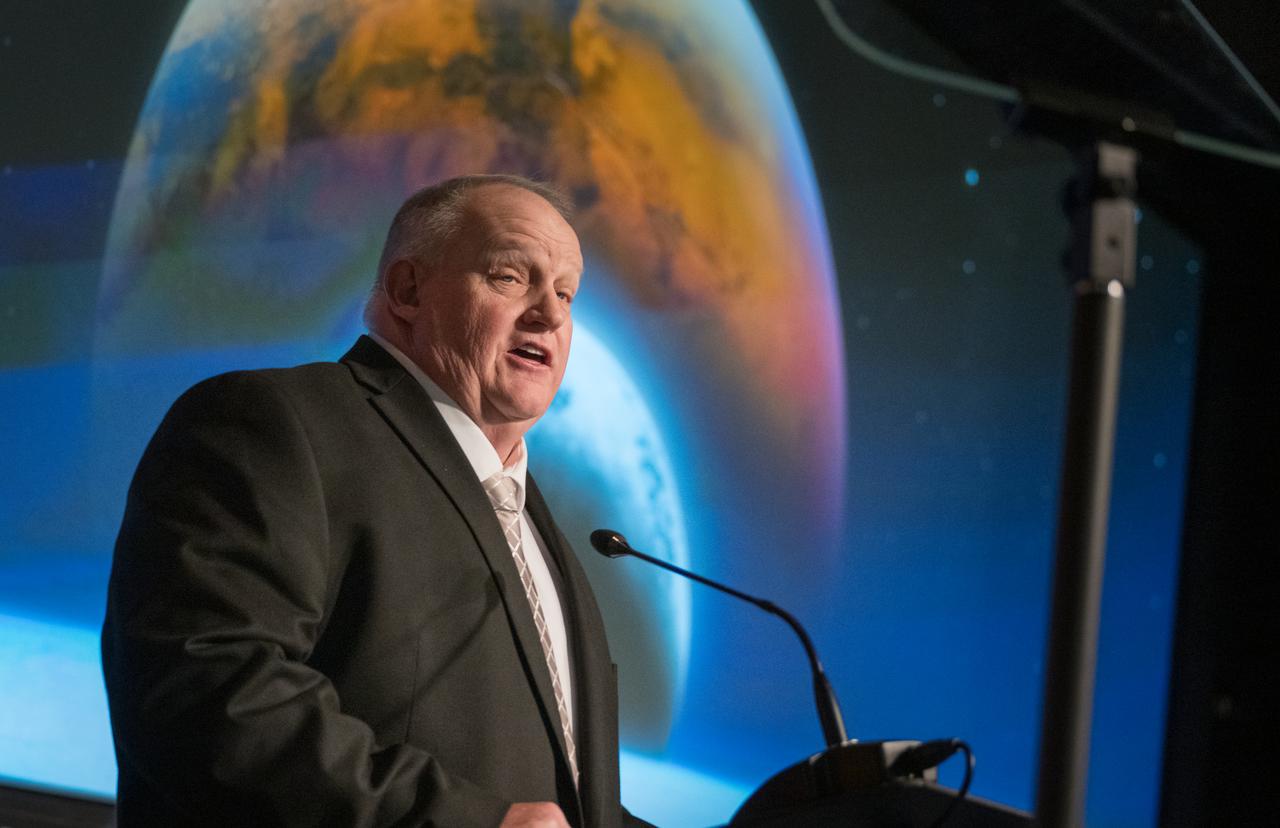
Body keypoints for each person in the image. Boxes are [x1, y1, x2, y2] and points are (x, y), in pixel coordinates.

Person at [102, 175, 647, 827]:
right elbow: (206, 690)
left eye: (566, 293)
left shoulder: (545, 532)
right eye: (510, 277)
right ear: (407, 290)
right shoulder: (278, 424)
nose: (551, 315)